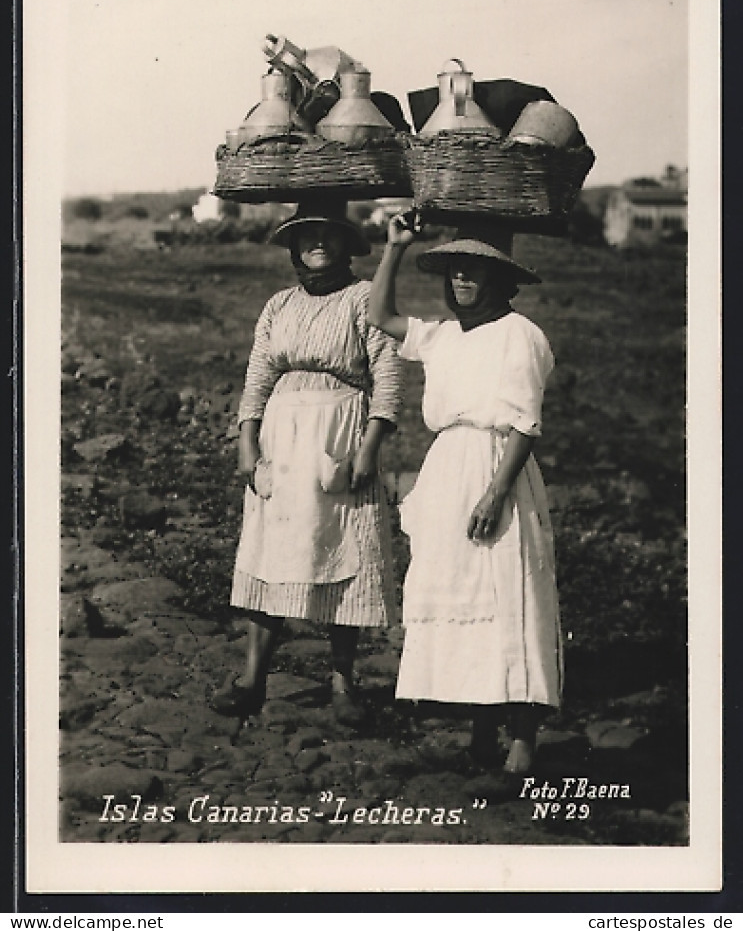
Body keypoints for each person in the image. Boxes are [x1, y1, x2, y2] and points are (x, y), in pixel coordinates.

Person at [368, 214, 562, 776]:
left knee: (510, 598)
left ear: (503, 280)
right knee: (462, 597)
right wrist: (395, 246)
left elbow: (525, 423)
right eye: (454, 271)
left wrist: (495, 492)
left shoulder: (521, 335)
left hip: (497, 467)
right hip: (448, 471)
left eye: (474, 272)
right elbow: (380, 316)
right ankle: (482, 734)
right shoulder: (442, 336)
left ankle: (522, 746)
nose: (461, 281)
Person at [211, 194, 404, 729]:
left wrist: (368, 448)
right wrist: (248, 445)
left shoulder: (366, 299)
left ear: (346, 243)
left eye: (329, 234)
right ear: (293, 245)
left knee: (344, 557)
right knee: (272, 553)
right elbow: (257, 378)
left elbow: (387, 379)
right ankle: (253, 678)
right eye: (306, 234)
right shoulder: (279, 305)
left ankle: (343, 683)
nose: (317, 243)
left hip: (339, 437)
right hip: (282, 441)